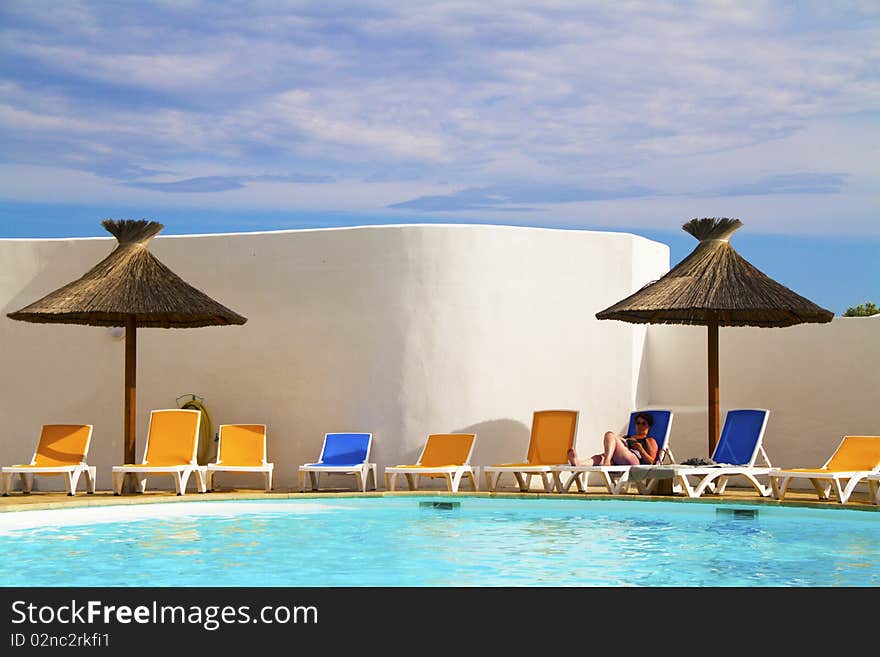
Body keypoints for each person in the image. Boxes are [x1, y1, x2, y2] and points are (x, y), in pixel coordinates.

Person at [567, 412, 658, 466]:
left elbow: (652, 462)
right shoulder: (628, 437)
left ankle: (607, 461)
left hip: (634, 460)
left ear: (649, 426)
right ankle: (579, 463)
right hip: (618, 459)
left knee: (610, 435)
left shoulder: (649, 440)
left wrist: (640, 449)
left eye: (643, 423)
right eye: (638, 423)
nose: (640, 426)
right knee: (599, 457)